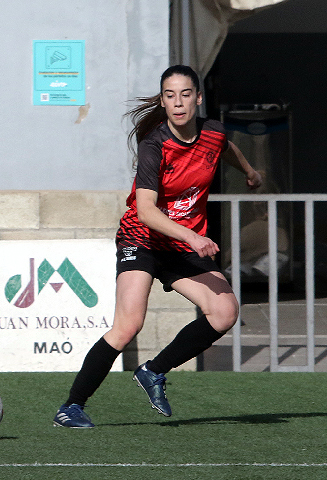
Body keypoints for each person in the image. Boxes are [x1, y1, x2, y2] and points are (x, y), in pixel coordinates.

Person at [53, 64, 262, 428]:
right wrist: (192, 236)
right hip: (143, 239)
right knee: (128, 324)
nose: (178, 103)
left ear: (198, 98)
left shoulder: (212, 132)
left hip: (179, 246)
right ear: (163, 102)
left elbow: (224, 148)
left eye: (185, 95)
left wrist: (249, 171)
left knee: (225, 311)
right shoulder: (155, 146)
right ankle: (71, 406)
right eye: (170, 96)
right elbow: (147, 211)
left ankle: (153, 371)